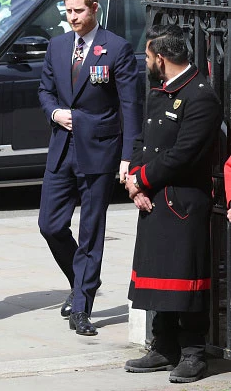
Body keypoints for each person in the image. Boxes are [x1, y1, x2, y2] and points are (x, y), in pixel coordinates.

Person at [37, 0, 142, 336]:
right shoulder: (58, 45)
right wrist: (54, 113)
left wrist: (127, 157)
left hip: (99, 152)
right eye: (67, 11)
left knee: (90, 232)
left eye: (78, 11)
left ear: (94, 8)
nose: (72, 18)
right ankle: (79, 281)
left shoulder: (116, 48)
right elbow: (45, 90)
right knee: (50, 225)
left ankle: (82, 306)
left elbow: (129, 106)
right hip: (62, 150)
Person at [124, 24, 222, 384]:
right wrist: (135, 182)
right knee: (158, 279)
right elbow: (143, 140)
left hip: (182, 202)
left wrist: (143, 179)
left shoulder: (200, 97)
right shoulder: (159, 91)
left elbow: (184, 154)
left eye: (149, 56)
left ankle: (193, 353)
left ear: (161, 59)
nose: (146, 61)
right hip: (152, 199)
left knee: (185, 280)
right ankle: (164, 345)